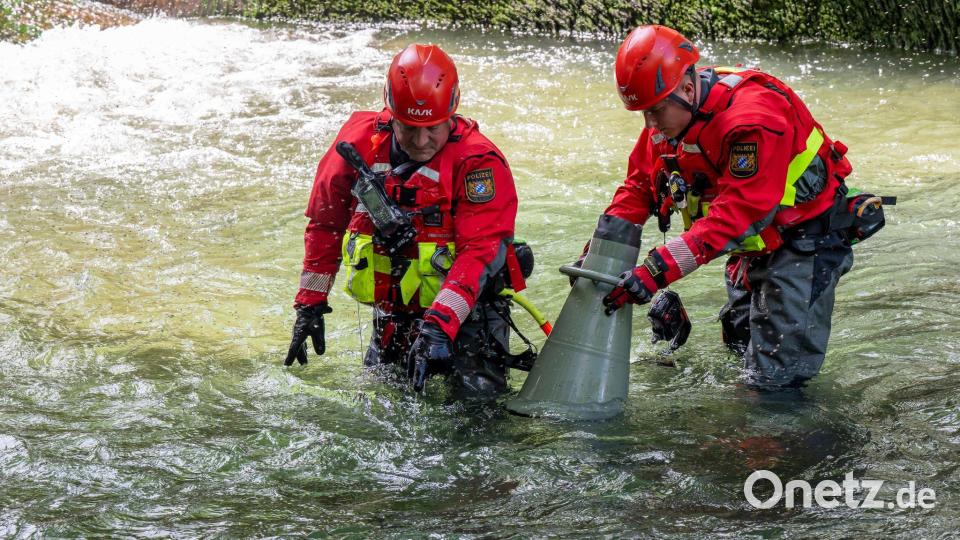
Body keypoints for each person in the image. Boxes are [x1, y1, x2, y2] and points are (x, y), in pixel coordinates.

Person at [593, 24, 877, 388]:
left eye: (656, 111)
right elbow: (638, 188)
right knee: (741, 347)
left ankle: (780, 438)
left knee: (774, 380)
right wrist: (599, 255)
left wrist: (654, 270)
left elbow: (739, 214)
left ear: (688, 89)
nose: (650, 125)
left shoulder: (752, 121)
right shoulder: (671, 121)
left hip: (805, 245)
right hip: (753, 250)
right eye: (643, 113)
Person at [284, 43, 527, 395]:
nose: (421, 140)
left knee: (477, 415)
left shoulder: (478, 163)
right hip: (393, 314)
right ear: (391, 112)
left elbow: (481, 250)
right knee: (382, 406)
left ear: (452, 113)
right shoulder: (356, 145)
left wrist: (440, 326)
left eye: (433, 128)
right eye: (409, 128)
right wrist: (310, 304)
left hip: (467, 315)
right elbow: (326, 224)